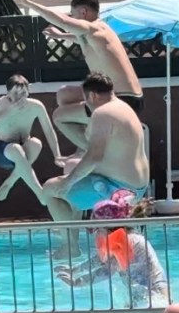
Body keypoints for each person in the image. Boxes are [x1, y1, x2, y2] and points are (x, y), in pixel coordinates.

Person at [9, 0, 143, 155]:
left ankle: (96, 154)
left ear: (83, 12)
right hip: (116, 94)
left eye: (73, 14)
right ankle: (94, 136)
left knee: (59, 117)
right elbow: (82, 39)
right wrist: (61, 36)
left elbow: (63, 21)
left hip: (123, 100)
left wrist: (28, 3)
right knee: (64, 95)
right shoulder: (99, 31)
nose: (72, 18)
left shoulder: (95, 28)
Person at [41, 73, 150, 224]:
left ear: (92, 96)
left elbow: (94, 158)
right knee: (72, 169)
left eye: (86, 101)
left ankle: (69, 239)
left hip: (118, 189)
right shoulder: (123, 107)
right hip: (137, 186)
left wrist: (67, 183)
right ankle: (74, 226)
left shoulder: (101, 113)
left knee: (49, 189)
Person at [54, 195, 169, 307]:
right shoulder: (121, 238)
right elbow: (99, 259)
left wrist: (77, 282)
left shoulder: (128, 241)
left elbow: (107, 270)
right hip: (142, 293)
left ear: (107, 226)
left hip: (154, 295)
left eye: (98, 229)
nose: (97, 233)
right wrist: (74, 270)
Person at [0, 74, 66, 202]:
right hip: (1, 151)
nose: (19, 98)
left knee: (36, 143)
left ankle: (10, 182)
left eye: (23, 94)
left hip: (23, 149)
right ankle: (39, 192)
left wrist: (57, 155)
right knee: (16, 149)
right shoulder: (3, 103)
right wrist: (8, 113)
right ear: (8, 93)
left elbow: (49, 131)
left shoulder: (36, 106)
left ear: (28, 91)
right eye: (15, 94)